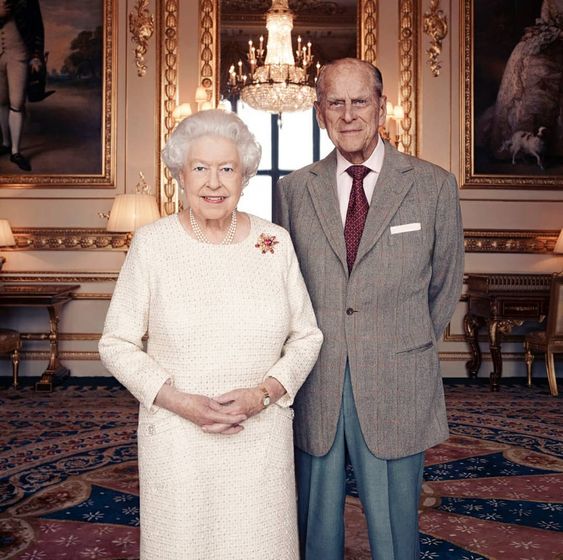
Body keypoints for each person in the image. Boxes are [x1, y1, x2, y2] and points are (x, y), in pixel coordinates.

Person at [99, 109, 323, 560]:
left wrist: (263, 394)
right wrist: (181, 402)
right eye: (200, 168)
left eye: (227, 169)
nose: (214, 182)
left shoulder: (274, 242)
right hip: (178, 438)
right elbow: (116, 343)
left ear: (245, 176)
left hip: (258, 435)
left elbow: (307, 337)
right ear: (180, 175)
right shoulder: (153, 244)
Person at [274, 58, 464, 559]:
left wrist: (400, 339)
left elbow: (443, 286)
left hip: (396, 377)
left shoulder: (433, 185)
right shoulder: (293, 190)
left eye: (360, 101)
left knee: (395, 530)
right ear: (319, 113)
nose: (349, 113)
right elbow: (285, 287)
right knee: (314, 522)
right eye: (335, 102)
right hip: (317, 378)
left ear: (381, 107)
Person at [0, 0, 45, 172]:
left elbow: (38, 27)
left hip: (19, 53)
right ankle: (5, 143)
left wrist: (36, 55)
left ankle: (15, 152)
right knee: (2, 101)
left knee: (17, 103)